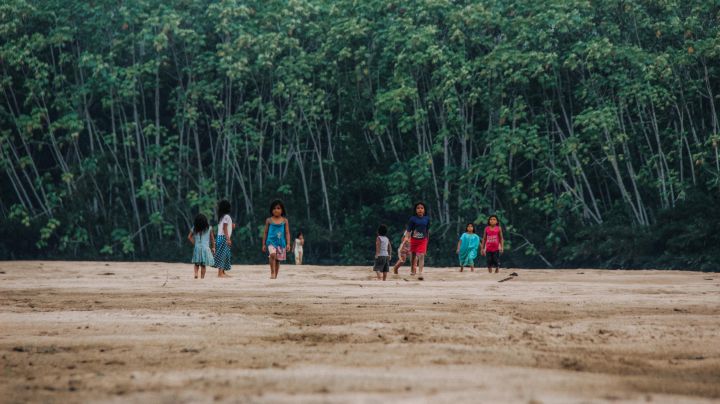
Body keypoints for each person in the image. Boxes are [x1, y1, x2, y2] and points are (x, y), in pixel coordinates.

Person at [262, 200, 291, 279]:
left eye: (278, 208)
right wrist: (264, 244)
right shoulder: (269, 220)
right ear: (271, 210)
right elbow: (265, 232)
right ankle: (272, 272)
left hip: (281, 243)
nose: (276, 210)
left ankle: (275, 275)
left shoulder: (285, 221)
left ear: (282, 210)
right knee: (272, 255)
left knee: (278, 260)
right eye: (274, 208)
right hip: (271, 242)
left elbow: (287, 232)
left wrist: (288, 243)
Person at [407, 202, 430, 281]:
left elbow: (427, 231)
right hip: (414, 239)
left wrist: (427, 240)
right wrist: (407, 238)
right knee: (413, 256)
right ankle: (412, 270)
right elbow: (408, 230)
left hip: (423, 240)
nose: (420, 209)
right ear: (415, 210)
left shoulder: (427, 219)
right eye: (418, 208)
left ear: (424, 210)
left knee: (421, 255)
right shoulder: (412, 219)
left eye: (422, 208)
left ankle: (420, 273)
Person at [187, 213, 215, 279]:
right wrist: (213, 247)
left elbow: (189, 237)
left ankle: (196, 273)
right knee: (203, 265)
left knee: (196, 263)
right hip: (205, 248)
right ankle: (202, 278)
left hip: (197, 247)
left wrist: (195, 243)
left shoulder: (194, 228)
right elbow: (212, 239)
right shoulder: (209, 228)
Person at [213, 200, 233, 278]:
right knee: (223, 255)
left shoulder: (222, 217)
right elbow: (225, 228)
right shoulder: (226, 216)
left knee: (225, 254)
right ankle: (220, 273)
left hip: (220, 237)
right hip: (223, 238)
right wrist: (228, 239)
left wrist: (232, 226)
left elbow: (224, 227)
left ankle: (223, 272)